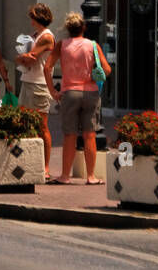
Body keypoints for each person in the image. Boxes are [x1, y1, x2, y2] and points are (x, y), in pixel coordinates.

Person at [45, 12, 112, 184]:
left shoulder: (62, 45)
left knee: (70, 135)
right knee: (90, 135)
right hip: (90, 92)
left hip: (70, 92)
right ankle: (91, 176)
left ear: (68, 29)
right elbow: (107, 70)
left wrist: (53, 90)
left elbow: (47, 67)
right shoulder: (92, 45)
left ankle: (65, 175)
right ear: (84, 27)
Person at [16, 2, 55, 178]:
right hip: (28, 81)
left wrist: (22, 57)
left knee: (42, 126)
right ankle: (29, 161)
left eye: (32, 17)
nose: (30, 21)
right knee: (23, 122)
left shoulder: (46, 37)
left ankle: (46, 167)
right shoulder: (36, 35)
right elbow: (23, 58)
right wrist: (22, 57)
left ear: (38, 17)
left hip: (39, 84)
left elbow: (30, 59)